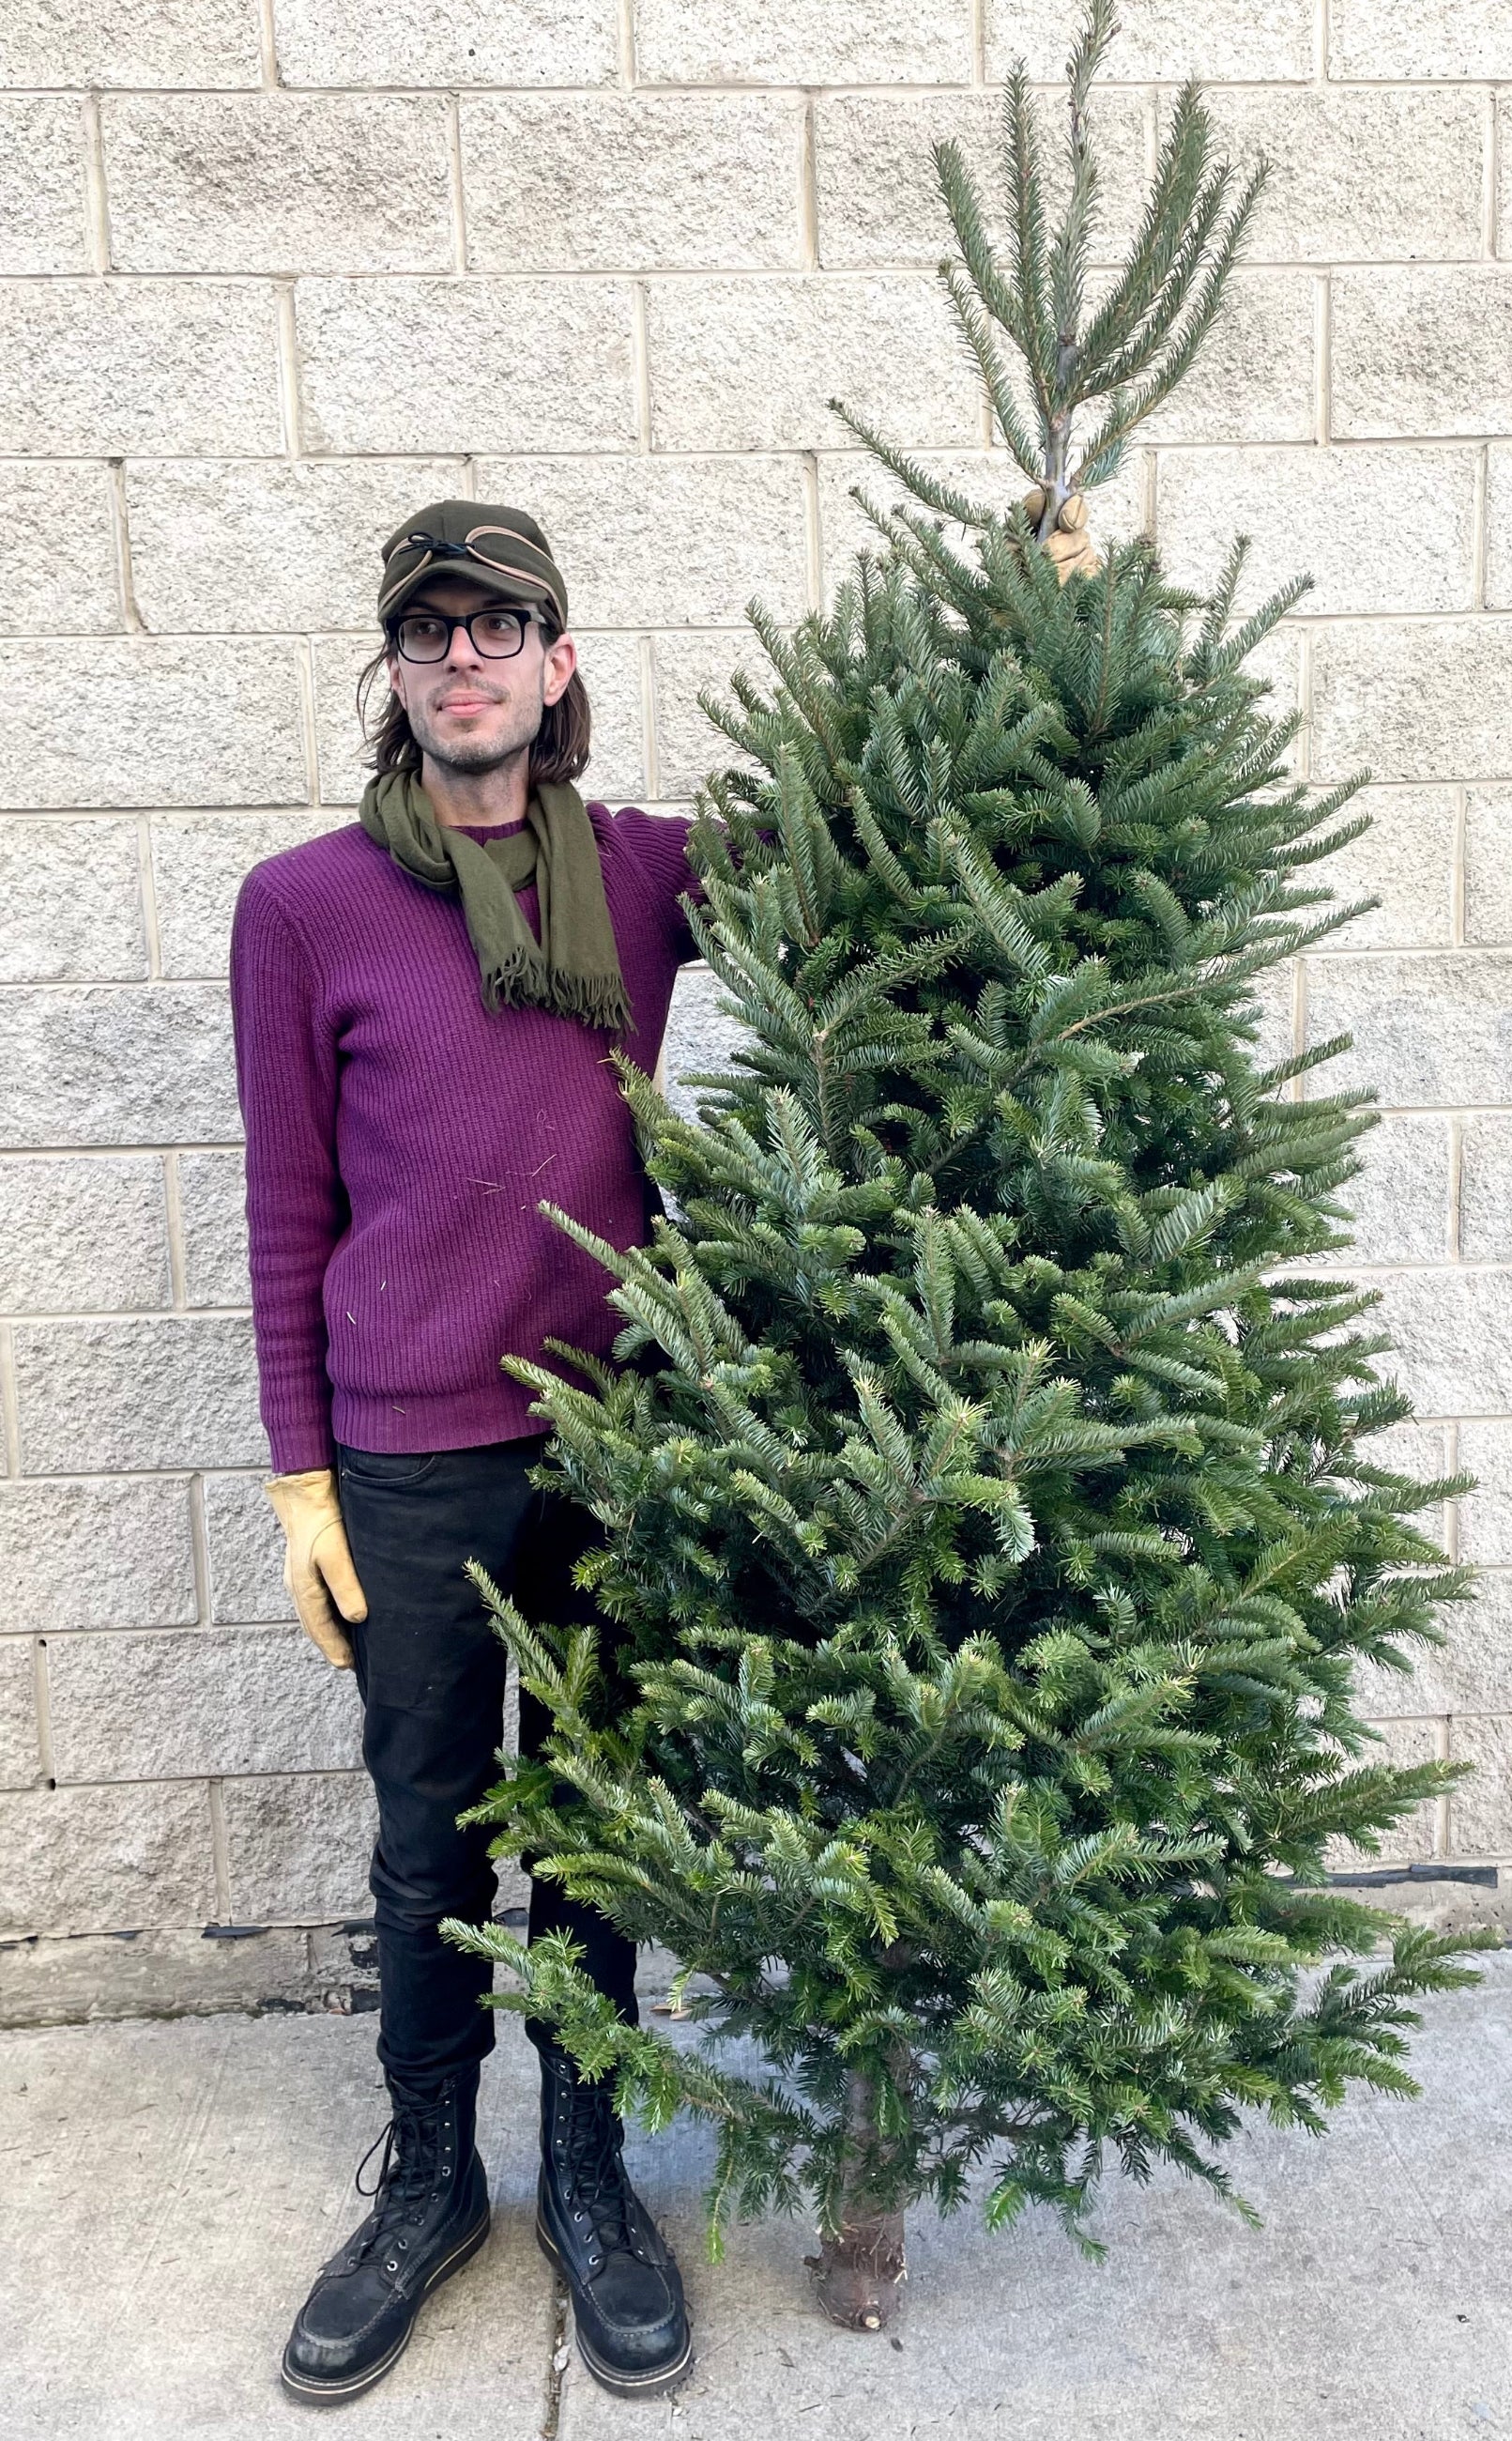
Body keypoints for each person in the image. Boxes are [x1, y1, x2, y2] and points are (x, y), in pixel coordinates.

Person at [230, 500, 698, 2405]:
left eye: (502, 625)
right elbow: (286, 1204)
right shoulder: (307, 906)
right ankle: (432, 2179)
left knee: (591, 1826)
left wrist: (1037, 598)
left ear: (560, 663)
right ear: (396, 675)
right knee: (433, 1833)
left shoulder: (655, 873)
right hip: (409, 1465)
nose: (466, 660)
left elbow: (899, 860)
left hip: (613, 1444)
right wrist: (298, 1472)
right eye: (429, 633)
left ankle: (588, 2172)